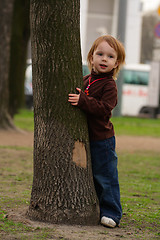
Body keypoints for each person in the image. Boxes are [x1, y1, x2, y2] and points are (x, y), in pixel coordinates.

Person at [68, 35, 125, 228]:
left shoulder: (110, 85)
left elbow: (103, 108)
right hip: (87, 138)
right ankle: (99, 206)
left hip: (102, 139)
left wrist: (83, 101)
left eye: (110, 56)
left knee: (106, 176)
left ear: (116, 63)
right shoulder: (86, 79)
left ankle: (112, 213)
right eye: (99, 54)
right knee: (91, 176)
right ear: (91, 57)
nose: (104, 59)